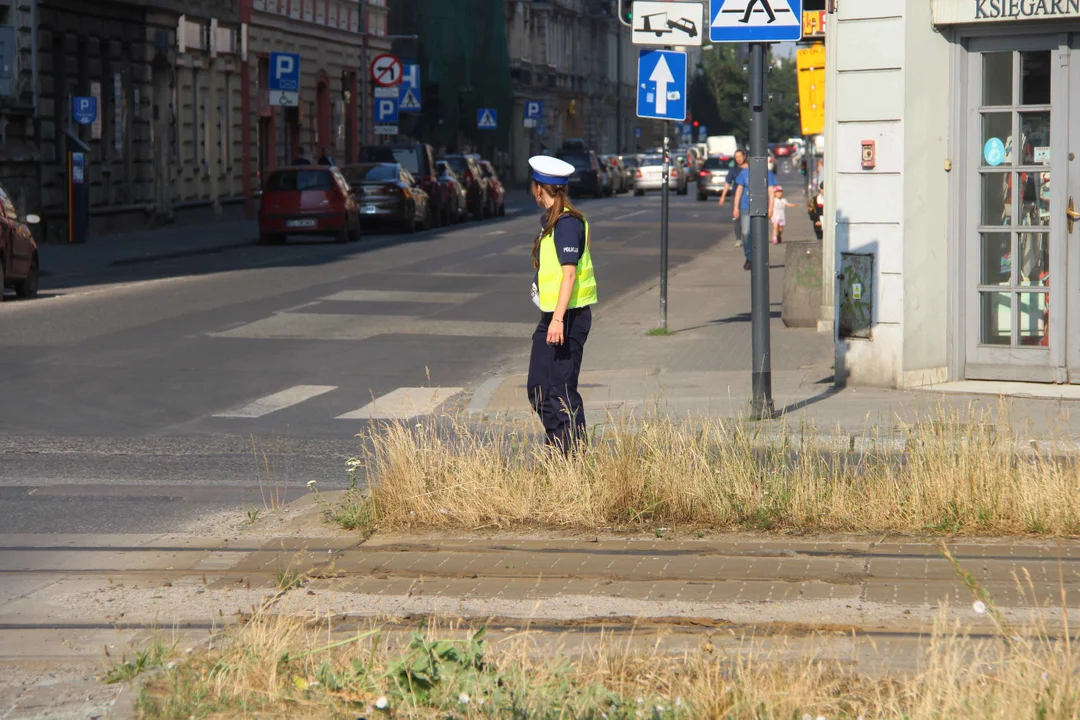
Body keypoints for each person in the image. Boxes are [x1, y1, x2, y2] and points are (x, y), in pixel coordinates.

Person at [526, 155, 598, 454]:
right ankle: (560, 448)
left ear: (538, 188)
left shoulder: (567, 224)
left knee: (561, 391)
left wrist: (557, 320)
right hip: (553, 316)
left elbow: (569, 274)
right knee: (538, 389)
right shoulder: (553, 222)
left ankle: (572, 456)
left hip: (568, 318)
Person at [732, 158, 779, 270]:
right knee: (746, 232)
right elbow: (739, 190)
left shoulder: (767, 173)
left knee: (759, 234)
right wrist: (735, 207)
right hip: (745, 207)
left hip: (761, 207)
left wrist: (771, 207)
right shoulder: (744, 173)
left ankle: (761, 259)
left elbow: (771, 191)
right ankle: (749, 257)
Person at [719, 149, 747, 249]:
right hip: (736, 196)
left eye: (740, 156)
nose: (738, 159)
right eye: (736, 158)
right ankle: (739, 239)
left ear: (744, 156)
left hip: (748, 196)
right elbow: (727, 184)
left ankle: (748, 238)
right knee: (737, 217)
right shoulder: (733, 170)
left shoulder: (750, 169)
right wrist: (722, 196)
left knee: (748, 217)